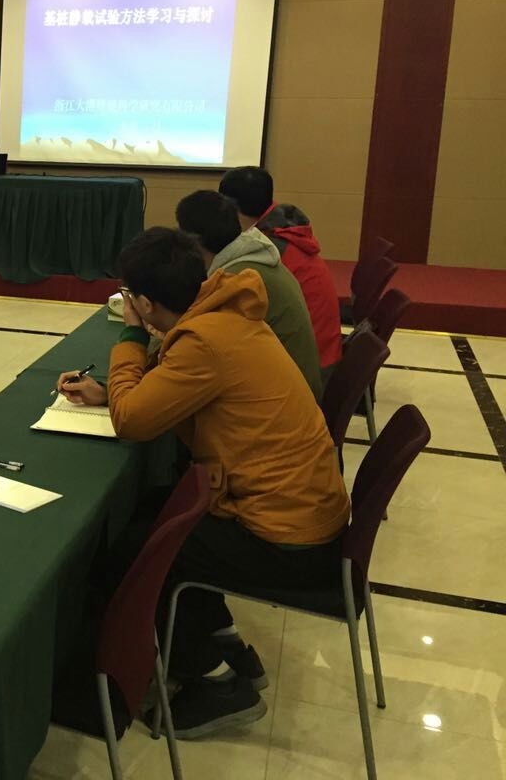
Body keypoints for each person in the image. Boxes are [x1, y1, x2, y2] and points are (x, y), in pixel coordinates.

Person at [58, 227, 349, 739]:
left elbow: (132, 421)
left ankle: (217, 682)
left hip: (286, 538)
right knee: (156, 508)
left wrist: (131, 339)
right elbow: (163, 392)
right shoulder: (225, 314)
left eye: (130, 298)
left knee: (146, 552)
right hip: (302, 511)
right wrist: (113, 391)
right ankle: (224, 642)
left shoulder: (204, 341)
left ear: (145, 303)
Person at [176, 190, 323, 399]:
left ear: (193, 242)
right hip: (295, 389)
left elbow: (193, 347)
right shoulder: (255, 256)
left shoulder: (237, 279)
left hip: (284, 398)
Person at [219, 166, 341, 372]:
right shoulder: (283, 229)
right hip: (323, 354)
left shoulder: (266, 249)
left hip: (308, 369)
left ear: (229, 207)